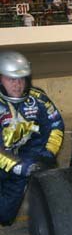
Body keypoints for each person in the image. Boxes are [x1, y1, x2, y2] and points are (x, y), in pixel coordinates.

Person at [0, 51, 64, 226]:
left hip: (21, 165)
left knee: (5, 216)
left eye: (22, 78)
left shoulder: (39, 99)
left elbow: (56, 126)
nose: (18, 84)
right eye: (11, 79)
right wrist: (19, 166)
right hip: (12, 164)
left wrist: (47, 154)